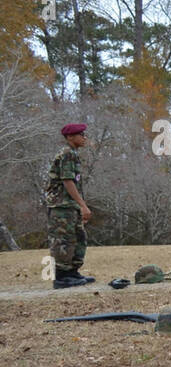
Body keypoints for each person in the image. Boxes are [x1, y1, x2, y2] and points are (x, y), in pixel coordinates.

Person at [46, 123, 94, 289]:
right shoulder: (67, 154)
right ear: (70, 137)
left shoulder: (73, 154)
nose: (84, 137)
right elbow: (67, 181)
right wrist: (82, 205)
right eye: (80, 134)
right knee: (62, 240)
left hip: (70, 205)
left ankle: (72, 272)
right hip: (61, 205)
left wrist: (79, 205)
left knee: (78, 238)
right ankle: (61, 277)